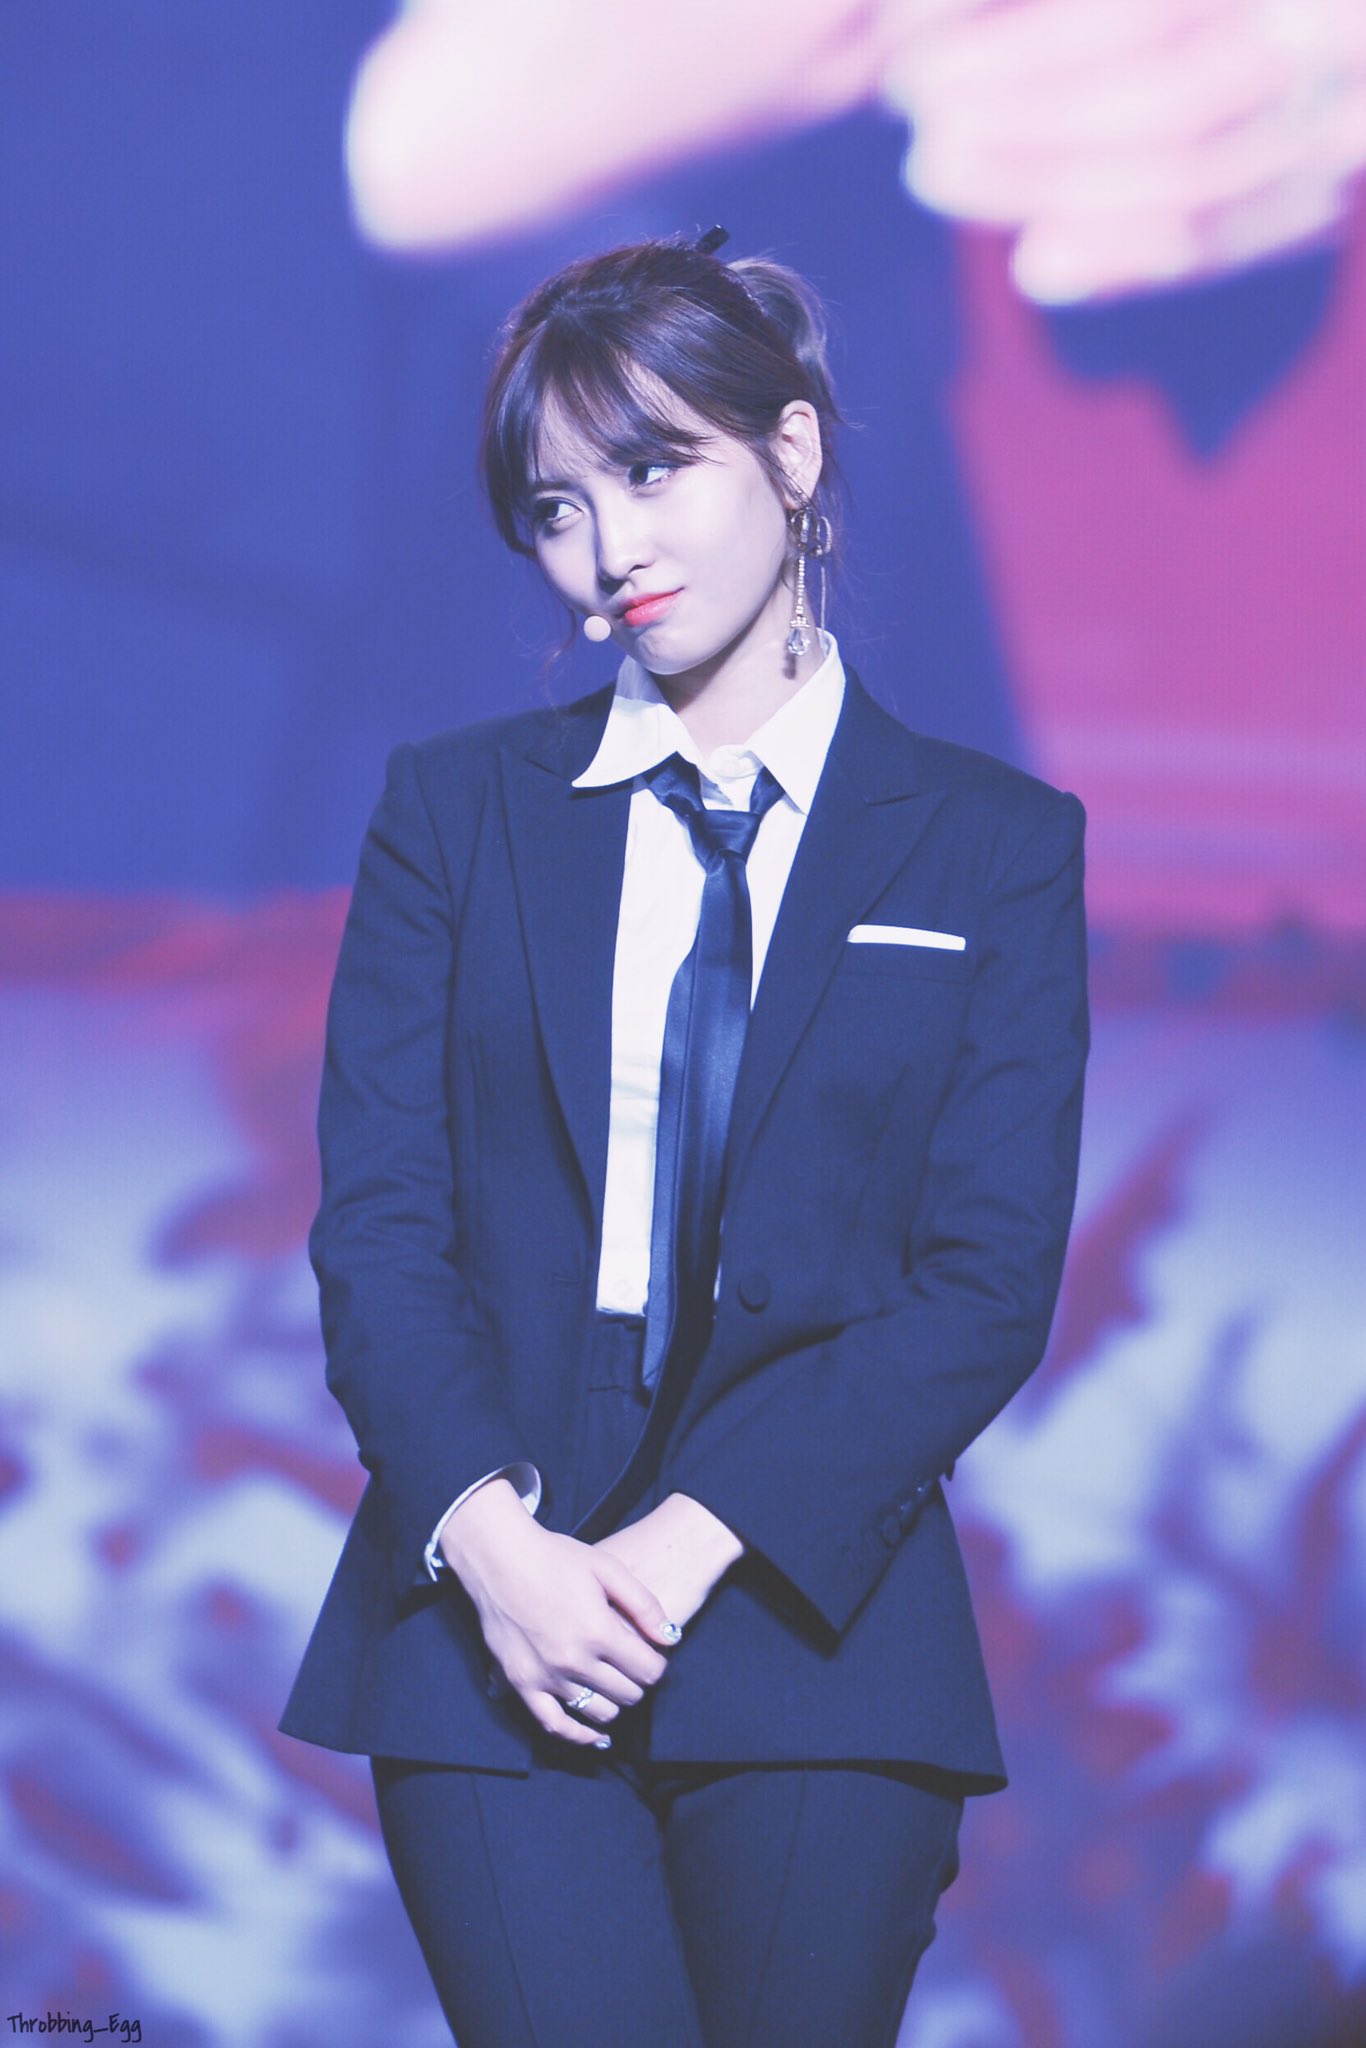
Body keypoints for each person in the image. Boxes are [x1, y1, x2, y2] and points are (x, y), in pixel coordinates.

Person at [279, 232, 1090, 2048]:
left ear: (791, 453)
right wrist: (494, 1548)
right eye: (555, 508)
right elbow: (381, 1229)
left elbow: (983, 1282)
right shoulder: (456, 814)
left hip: (814, 1599)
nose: (606, 550)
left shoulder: (990, 843)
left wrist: (690, 1539)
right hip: (494, 1604)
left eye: (652, 470)